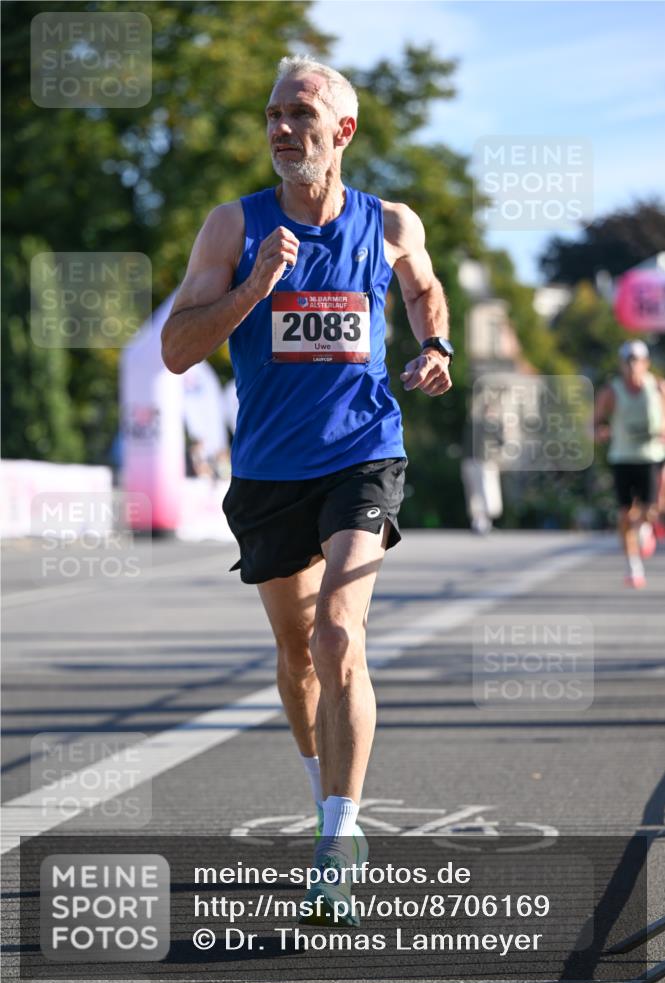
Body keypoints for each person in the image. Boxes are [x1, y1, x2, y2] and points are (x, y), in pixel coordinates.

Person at [161, 55, 454, 922]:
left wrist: (433, 348)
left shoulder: (390, 221)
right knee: (295, 660)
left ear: (343, 130)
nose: (282, 128)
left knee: (337, 632)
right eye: (271, 115)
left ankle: (339, 833)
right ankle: (321, 790)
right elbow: (177, 349)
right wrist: (255, 286)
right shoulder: (232, 226)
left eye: (300, 112)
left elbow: (425, 288)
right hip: (266, 471)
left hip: (363, 453)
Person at [594, 340, 665, 588]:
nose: (633, 365)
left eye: (637, 360)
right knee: (625, 514)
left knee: (650, 511)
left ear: (646, 363)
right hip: (622, 458)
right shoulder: (611, 392)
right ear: (622, 364)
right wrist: (599, 432)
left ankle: (645, 530)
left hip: (650, 456)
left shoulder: (658, 387)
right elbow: (594, 423)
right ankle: (633, 566)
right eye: (628, 361)